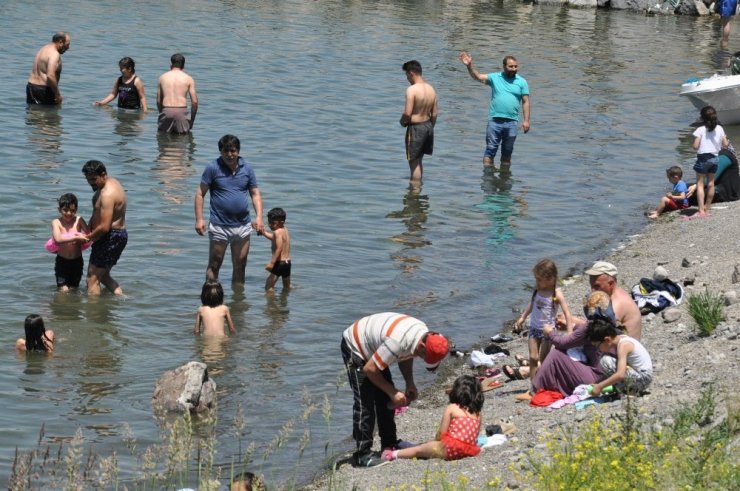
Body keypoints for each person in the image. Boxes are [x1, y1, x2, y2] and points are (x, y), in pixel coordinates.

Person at [340, 312, 449, 467]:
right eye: (423, 356)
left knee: (385, 398)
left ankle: (389, 443)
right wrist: (393, 392)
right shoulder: (397, 341)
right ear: (422, 345)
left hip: (376, 348)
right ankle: (362, 455)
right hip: (355, 345)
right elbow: (370, 369)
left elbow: (407, 355)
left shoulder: (421, 334)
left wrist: (409, 382)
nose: (422, 359)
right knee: (365, 402)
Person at [509, 291, 610, 401]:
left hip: (595, 377)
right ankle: (546, 382)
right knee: (563, 354)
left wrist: (550, 332)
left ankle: (534, 391)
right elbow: (580, 334)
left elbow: (562, 343)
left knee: (556, 353)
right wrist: (570, 326)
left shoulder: (590, 327)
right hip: (604, 374)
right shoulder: (607, 322)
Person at [194, 134, 264, 284]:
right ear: (220, 151)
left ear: (238, 151)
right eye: (225, 151)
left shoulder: (247, 168)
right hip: (219, 226)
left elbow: (255, 194)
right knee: (214, 264)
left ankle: (238, 303)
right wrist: (199, 219)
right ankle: (210, 302)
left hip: (243, 226)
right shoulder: (213, 167)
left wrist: (259, 217)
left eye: (233, 151)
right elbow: (200, 193)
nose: (229, 155)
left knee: (240, 266)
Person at [381, 374, 482, 462]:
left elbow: (442, 433)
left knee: (419, 450)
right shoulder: (478, 414)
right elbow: (474, 437)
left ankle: (393, 454)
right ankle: (400, 449)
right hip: (468, 451)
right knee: (425, 448)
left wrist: (434, 442)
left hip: (449, 448)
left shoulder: (452, 408)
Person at [459, 51, 530, 172]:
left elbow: (526, 102)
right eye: (510, 66)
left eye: (515, 66)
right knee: (490, 151)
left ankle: (504, 179)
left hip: (512, 122)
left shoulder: (522, 82)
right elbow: (477, 77)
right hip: (495, 121)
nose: (513, 69)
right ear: (504, 67)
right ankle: (488, 178)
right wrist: (469, 65)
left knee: (507, 154)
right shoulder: (495, 78)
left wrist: (526, 121)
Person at [513, 259, 573, 383]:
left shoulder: (556, 293)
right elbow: (532, 303)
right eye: (536, 279)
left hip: (548, 331)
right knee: (533, 357)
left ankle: (542, 381)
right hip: (534, 329)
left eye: (539, 279)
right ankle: (533, 384)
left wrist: (570, 331)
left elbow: (567, 312)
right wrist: (523, 317)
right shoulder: (538, 290)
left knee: (544, 359)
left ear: (551, 279)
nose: (537, 282)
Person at [82, 160, 128, 296]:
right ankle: (122, 297)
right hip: (117, 236)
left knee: (92, 278)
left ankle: (94, 314)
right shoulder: (111, 183)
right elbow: (98, 214)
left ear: (103, 175)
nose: (91, 183)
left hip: (111, 237)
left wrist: (88, 238)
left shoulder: (107, 194)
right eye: (88, 180)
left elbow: (105, 226)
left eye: (94, 179)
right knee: (103, 275)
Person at [588, 317, 653, 396]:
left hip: (643, 378)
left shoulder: (623, 346)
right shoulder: (621, 339)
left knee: (605, 360)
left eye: (597, 346)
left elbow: (620, 374)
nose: (598, 350)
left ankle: (628, 390)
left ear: (607, 340)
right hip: (641, 375)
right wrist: (598, 384)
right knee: (607, 359)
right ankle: (623, 389)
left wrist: (600, 387)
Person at [400, 60, 438, 184]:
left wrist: (402, 122)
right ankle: (419, 187)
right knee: (419, 160)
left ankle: (414, 191)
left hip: (416, 128)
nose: (407, 79)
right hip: (428, 126)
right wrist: (430, 126)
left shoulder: (412, 90)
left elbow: (407, 113)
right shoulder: (431, 89)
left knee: (413, 161)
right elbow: (435, 114)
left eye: (406, 75)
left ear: (411, 73)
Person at [586, 261, 642, 339]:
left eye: (597, 286)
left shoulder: (618, 303)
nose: (593, 291)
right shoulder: (616, 293)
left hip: (624, 349)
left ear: (611, 283)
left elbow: (599, 332)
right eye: (591, 286)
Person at [47, 193, 90, 292]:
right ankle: (61, 306)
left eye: (72, 210)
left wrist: (83, 238)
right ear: (59, 210)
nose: (69, 213)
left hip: (77, 261)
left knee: (74, 289)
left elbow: (89, 236)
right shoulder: (56, 222)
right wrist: (76, 238)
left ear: (76, 210)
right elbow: (58, 239)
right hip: (62, 261)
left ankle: (71, 307)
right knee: (64, 289)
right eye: (65, 210)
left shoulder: (79, 220)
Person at [692, 106, 728, 218]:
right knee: (711, 183)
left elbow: (695, 147)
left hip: (703, 157)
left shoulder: (700, 130)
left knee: (700, 184)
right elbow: (725, 145)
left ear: (702, 118)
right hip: (715, 157)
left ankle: (701, 211)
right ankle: (707, 209)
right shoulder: (720, 129)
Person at [156, 53, 198, 133]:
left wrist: (163, 113)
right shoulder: (188, 79)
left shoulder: (162, 77)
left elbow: (158, 101)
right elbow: (194, 102)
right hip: (181, 112)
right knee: (182, 141)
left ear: (171, 65)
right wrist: (191, 121)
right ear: (183, 66)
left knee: (163, 141)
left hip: (166, 110)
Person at [27, 32, 71, 105]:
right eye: (67, 45)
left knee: (32, 114)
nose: (68, 48)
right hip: (43, 91)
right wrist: (57, 94)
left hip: (31, 87)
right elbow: (50, 75)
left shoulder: (43, 49)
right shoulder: (54, 54)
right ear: (60, 42)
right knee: (51, 116)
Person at [261, 207, 291, 291]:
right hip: (287, 263)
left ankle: (272, 304)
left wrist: (271, 263)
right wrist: (263, 233)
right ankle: (284, 303)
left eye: (273, 223)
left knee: (269, 287)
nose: (270, 225)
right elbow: (274, 238)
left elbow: (279, 248)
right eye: (269, 222)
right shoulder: (284, 230)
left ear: (282, 222)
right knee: (287, 286)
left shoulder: (277, 232)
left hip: (279, 263)